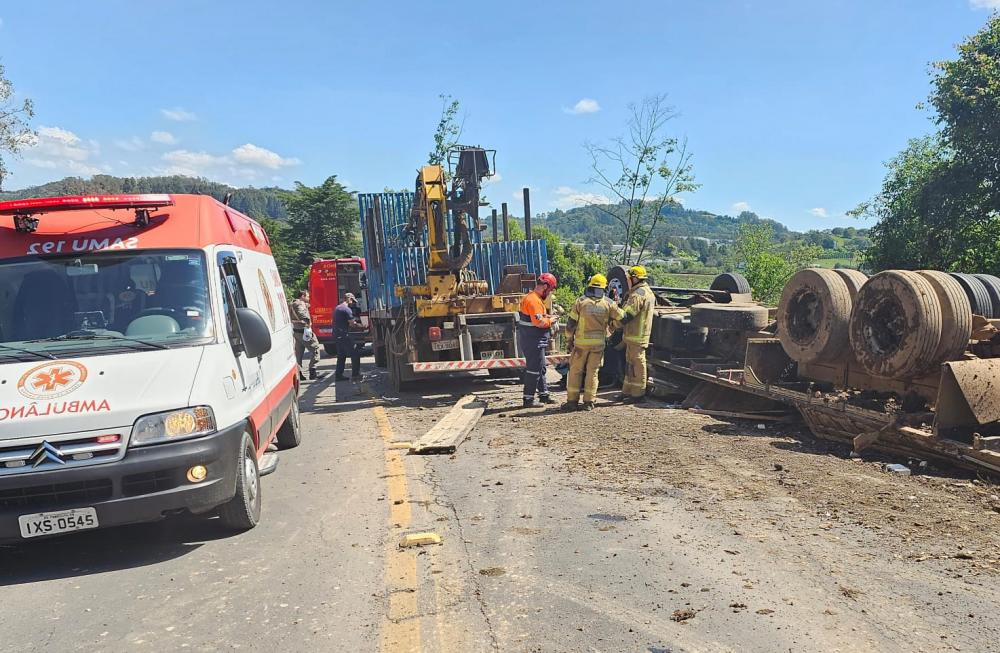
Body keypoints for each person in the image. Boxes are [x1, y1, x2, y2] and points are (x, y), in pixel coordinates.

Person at [562, 274, 625, 412]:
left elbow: (570, 325)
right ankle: (589, 402)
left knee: (575, 371)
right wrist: (613, 325)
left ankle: (572, 402)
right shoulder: (608, 303)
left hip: (580, 345)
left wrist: (568, 340)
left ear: (590, 285)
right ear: (604, 288)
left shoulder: (580, 302)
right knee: (593, 373)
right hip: (598, 345)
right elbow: (623, 318)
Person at [517, 272, 559, 407]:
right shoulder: (534, 300)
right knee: (534, 369)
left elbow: (536, 316)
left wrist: (546, 315)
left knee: (540, 368)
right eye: (550, 289)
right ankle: (528, 399)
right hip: (533, 340)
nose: (550, 292)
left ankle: (543, 395)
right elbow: (539, 323)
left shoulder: (532, 297)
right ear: (545, 286)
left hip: (532, 339)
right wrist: (551, 320)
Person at [617, 265, 655, 403]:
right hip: (635, 336)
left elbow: (627, 315)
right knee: (630, 365)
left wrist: (613, 323)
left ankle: (638, 395)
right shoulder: (646, 292)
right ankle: (627, 391)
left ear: (635, 278)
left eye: (629, 278)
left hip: (636, 336)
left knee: (637, 364)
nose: (627, 280)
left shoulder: (638, 294)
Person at [289, 290, 321, 380]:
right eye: (307, 296)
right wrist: (307, 322)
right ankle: (312, 372)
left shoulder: (292, 303)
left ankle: (299, 374)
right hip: (304, 331)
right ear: (302, 296)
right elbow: (302, 315)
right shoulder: (300, 304)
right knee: (315, 349)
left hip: (296, 331)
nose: (309, 298)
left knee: (299, 354)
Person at [334, 292, 363, 381]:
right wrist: (362, 326)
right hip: (343, 335)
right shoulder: (346, 310)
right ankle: (355, 375)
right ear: (349, 299)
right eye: (352, 301)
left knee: (341, 355)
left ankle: (338, 375)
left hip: (337, 334)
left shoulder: (337, 308)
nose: (353, 303)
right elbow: (352, 324)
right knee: (355, 354)